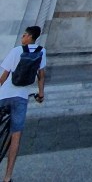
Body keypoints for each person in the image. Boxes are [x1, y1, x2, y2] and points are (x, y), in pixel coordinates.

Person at [0, 25, 46, 182]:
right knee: (16, 137)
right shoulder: (41, 52)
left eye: (24, 35)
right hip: (21, 98)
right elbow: (41, 76)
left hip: (4, 95)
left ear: (29, 37)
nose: (22, 37)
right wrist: (41, 94)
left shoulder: (15, 51)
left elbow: (3, 76)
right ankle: (7, 177)